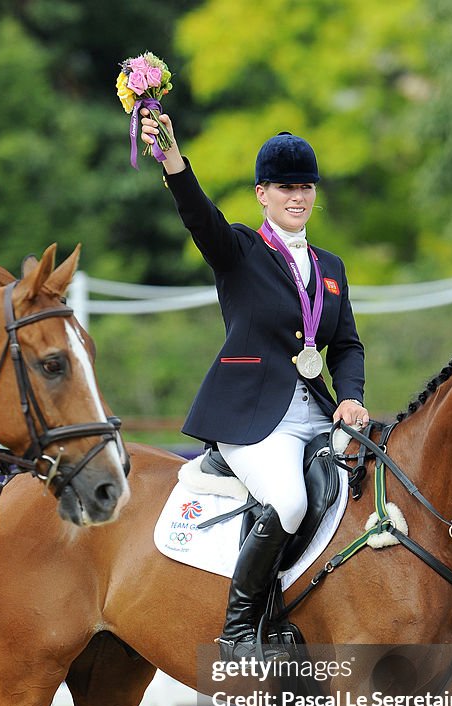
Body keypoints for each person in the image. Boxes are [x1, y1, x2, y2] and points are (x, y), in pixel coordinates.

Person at [141, 110, 369, 661]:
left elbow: (346, 345)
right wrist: (173, 159)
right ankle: (240, 630)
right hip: (252, 420)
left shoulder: (330, 266)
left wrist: (353, 396)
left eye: (306, 187)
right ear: (262, 194)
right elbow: (199, 217)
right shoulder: (240, 251)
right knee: (288, 501)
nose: (298, 197)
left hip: (319, 414)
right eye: (286, 188)